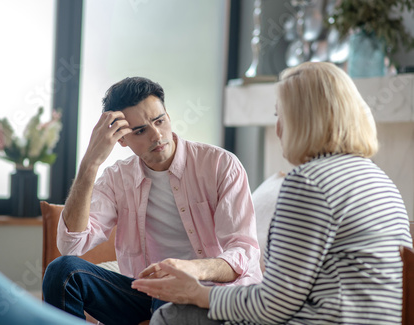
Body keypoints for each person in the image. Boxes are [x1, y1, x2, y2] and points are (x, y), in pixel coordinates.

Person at [132, 62, 413, 325]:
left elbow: (274, 304)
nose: (278, 128)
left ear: (303, 121)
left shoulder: (309, 183)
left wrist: (195, 293)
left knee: (175, 315)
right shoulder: (376, 176)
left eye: (281, 116)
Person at [42, 77, 263, 325]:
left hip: (211, 293)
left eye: (159, 121)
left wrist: (190, 269)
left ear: (168, 115)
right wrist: (90, 163)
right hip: (147, 294)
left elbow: (244, 252)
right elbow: (71, 245)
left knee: (168, 291)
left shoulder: (220, 165)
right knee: (62, 272)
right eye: (140, 131)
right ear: (121, 139)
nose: (156, 135)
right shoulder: (117, 178)